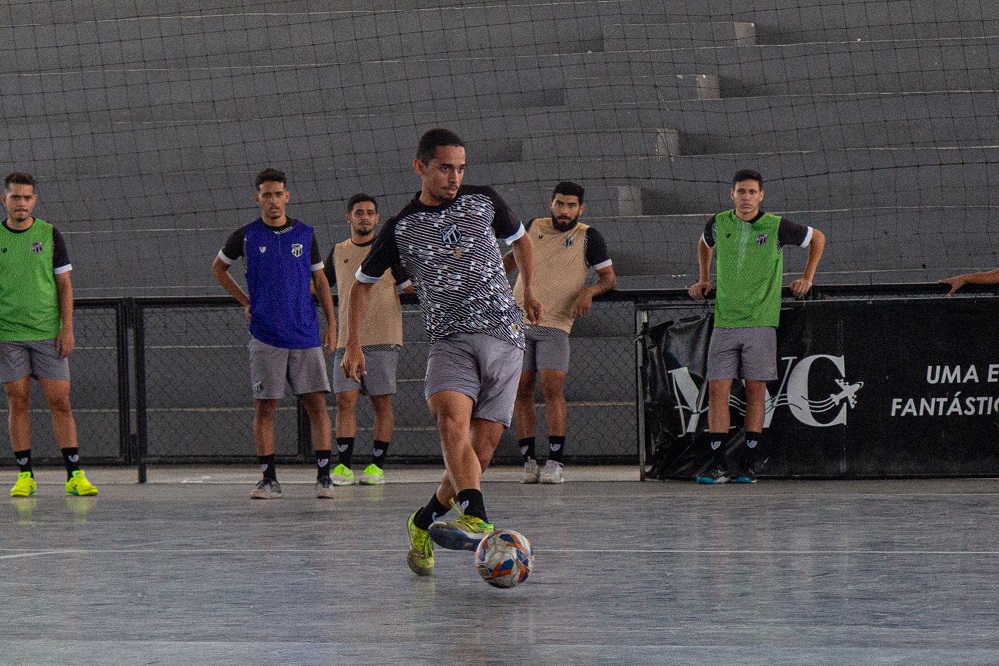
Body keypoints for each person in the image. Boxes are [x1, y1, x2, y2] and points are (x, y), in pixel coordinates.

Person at [340, 128, 543, 576]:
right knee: (452, 419)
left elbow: (522, 240)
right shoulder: (400, 227)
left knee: (481, 451)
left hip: (505, 337)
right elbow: (361, 286)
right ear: (421, 168)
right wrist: (353, 343)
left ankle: (422, 521)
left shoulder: (484, 200)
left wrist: (529, 289)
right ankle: (476, 515)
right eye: (445, 168)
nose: (455, 177)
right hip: (449, 341)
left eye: (461, 168)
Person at [688, 169, 826, 484]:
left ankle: (749, 461)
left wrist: (808, 277)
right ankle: (718, 462)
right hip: (725, 321)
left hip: (760, 322)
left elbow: (817, 237)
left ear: (761, 196)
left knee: (755, 391)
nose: (746, 197)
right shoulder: (719, 222)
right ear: (732, 194)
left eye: (752, 192)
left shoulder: (775, 226)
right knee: (717, 390)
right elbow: (704, 243)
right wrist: (704, 278)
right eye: (741, 191)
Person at [212, 168, 337, 499]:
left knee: (316, 404)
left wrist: (332, 323)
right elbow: (218, 269)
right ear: (258, 199)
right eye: (266, 195)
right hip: (266, 334)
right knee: (265, 408)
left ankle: (324, 476)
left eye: (278, 193)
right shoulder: (246, 236)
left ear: (287, 196)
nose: (273, 200)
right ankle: (268, 479)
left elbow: (321, 281)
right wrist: (245, 301)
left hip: (305, 333)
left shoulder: (305, 234)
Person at [503, 181, 616, 484]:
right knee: (521, 389)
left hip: (556, 324)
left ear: (581, 208)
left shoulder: (589, 237)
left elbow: (608, 278)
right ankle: (528, 460)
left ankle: (556, 460)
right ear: (551, 204)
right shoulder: (532, 228)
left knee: (552, 387)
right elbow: (509, 263)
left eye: (571, 205)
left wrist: (590, 290)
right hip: (518, 320)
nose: (564, 211)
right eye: (559, 204)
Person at [1, 172, 98, 498]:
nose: (22, 203)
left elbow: (64, 286)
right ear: (5, 200)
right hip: (8, 334)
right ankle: (25, 475)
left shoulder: (50, 235)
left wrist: (66, 328)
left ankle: (74, 474)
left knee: (60, 402)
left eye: (27, 197)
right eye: (16, 197)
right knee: (18, 401)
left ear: (35, 201)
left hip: (47, 334)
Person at [324, 193, 411, 486]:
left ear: (376, 218)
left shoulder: (388, 250)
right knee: (345, 400)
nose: (365, 217)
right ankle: (344, 467)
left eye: (370, 212)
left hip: (383, 336)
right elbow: (319, 286)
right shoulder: (337, 252)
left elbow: (409, 286)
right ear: (349, 218)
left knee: (381, 403)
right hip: (348, 341)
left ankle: (376, 466)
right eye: (359, 212)